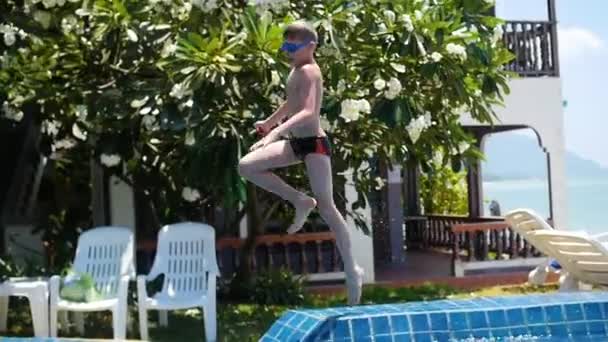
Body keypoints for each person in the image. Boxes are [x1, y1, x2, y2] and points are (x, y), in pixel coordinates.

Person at [237, 21, 364, 305]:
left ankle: (352, 270)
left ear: (311, 47)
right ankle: (300, 201)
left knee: (329, 207)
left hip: (315, 145)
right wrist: (270, 121)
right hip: (296, 144)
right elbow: (291, 103)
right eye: (285, 46)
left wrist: (274, 133)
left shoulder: (310, 71)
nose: (287, 51)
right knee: (246, 166)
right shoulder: (295, 70)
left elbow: (308, 111)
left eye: (292, 47)